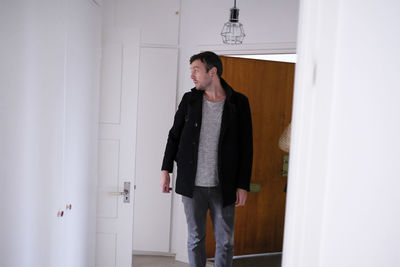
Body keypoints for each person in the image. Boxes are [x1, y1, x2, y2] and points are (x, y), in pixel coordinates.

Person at [160, 51, 253, 267]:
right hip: (192, 185)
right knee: (195, 239)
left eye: (196, 70)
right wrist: (166, 170)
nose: (192, 75)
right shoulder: (189, 100)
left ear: (212, 71)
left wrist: (242, 185)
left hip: (225, 185)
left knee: (226, 242)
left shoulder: (239, 103)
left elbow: (246, 146)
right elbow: (174, 136)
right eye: (191, 70)